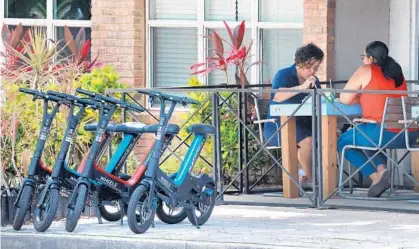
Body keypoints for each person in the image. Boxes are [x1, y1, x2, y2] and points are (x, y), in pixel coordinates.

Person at [338, 41, 419, 198]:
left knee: (343, 141)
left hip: (384, 133)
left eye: (363, 57)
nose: (362, 60)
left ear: (370, 58)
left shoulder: (366, 69)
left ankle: (376, 179)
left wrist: (361, 96)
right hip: (409, 134)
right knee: (367, 136)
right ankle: (382, 170)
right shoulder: (397, 72)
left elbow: (345, 99)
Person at [264, 43, 324, 186]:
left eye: (316, 68)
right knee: (308, 141)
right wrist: (301, 87)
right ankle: (315, 183)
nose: (313, 71)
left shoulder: (314, 81)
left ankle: (316, 178)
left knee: (332, 137)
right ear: (300, 63)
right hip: (280, 125)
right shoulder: (284, 74)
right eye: (311, 67)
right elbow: (277, 96)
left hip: (305, 124)